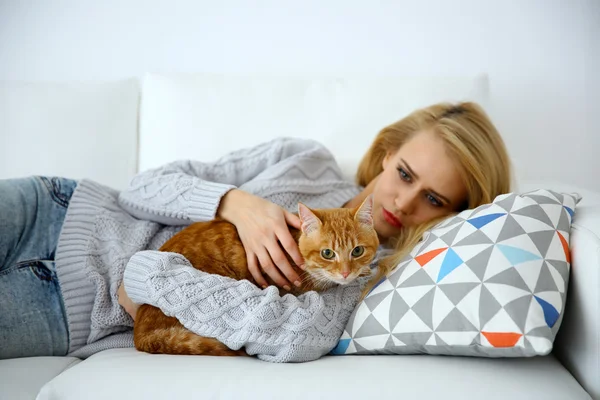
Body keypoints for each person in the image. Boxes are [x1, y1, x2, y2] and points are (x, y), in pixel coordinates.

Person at [0, 102, 512, 362]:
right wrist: (235, 203)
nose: (403, 202)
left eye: (434, 199)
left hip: (71, 307)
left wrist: (150, 279)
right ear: (386, 154)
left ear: (455, 212)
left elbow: (296, 334)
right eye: (404, 173)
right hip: (59, 204)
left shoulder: (363, 276)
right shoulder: (305, 159)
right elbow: (142, 185)